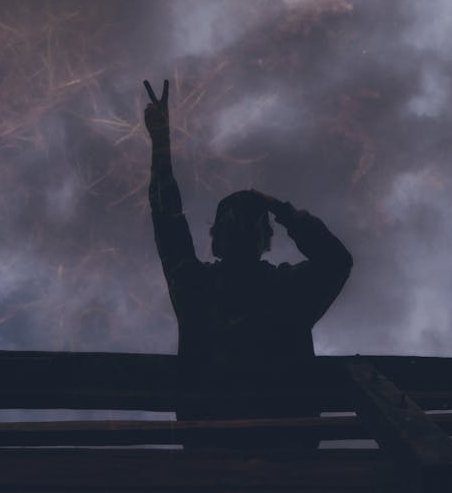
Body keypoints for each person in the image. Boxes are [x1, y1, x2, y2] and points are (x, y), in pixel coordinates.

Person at [143, 78, 353, 447]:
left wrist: (280, 210)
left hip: (250, 450)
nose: (241, 225)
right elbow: (168, 222)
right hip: (265, 448)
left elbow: (337, 262)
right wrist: (279, 210)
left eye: (250, 220)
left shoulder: (213, 286)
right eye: (234, 218)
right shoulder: (274, 288)